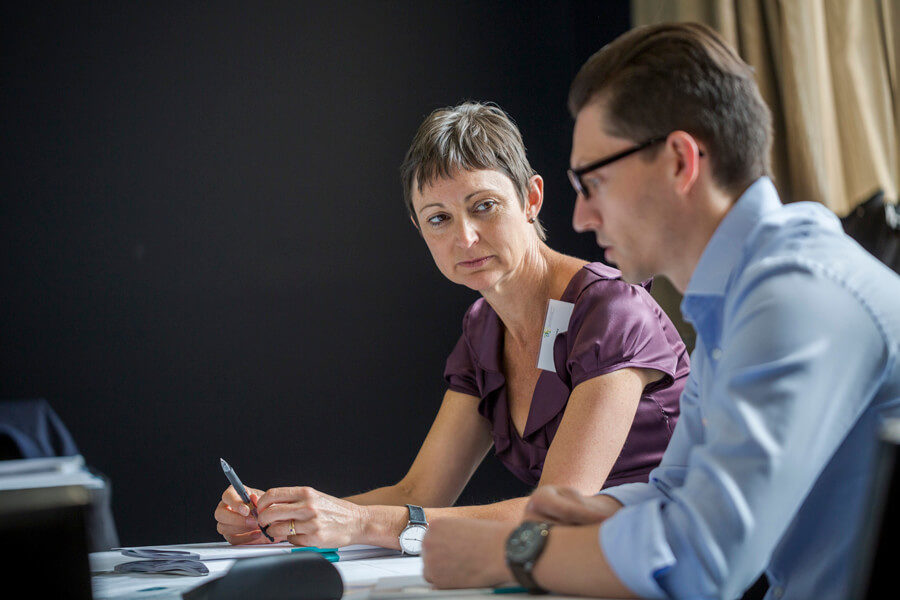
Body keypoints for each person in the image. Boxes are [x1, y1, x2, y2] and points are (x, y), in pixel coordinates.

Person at [420, 23, 900, 600]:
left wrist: (514, 550)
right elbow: (675, 490)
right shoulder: (735, 302)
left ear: (679, 161)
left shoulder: (796, 297)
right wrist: (578, 513)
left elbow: (703, 560)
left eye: (594, 181)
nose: (581, 218)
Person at [214, 101, 690, 553]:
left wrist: (357, 523)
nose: (464, 237)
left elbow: (553, 514)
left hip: (670, 568)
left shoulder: (612, 310)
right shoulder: (484, 328)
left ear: (531, 198)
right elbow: (421, 491)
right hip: (575, 571)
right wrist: (285, 520)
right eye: (438, 219)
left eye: (483, 206)